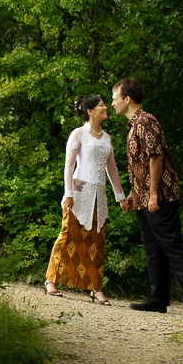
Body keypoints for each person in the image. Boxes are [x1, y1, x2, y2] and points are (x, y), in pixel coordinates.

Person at [111, 78, 183, 318]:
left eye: (114, 98)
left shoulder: (146, 121)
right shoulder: (133, 125)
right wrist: (134, 194)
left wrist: (152, 194)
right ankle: (158, 298)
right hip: (143, 197)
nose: (112, 104)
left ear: (127, 99)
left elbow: (156, 158)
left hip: (160, 196)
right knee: (152, 249)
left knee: (172, 245)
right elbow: (138, 165)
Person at [44, 95, 126, 304]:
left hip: (99, 196)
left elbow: (112, 169)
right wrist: (69, 194)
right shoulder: (78, 134)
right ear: (90, 111)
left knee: (97, 240)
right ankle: (50, 280)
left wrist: (121, 197)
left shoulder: (106, 137)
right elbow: (68, 166)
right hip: (79, 193)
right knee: (68, 235)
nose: (106, 107)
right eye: (101, 105)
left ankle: (95, 287)